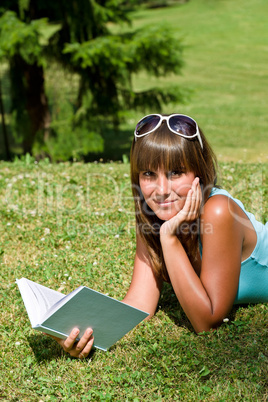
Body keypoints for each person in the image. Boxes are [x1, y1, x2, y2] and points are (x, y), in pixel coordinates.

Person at [49, 113, 268, 358]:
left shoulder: (218, 212)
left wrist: (169, 238)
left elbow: (208, 323)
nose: (162, 191)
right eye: (149, 174)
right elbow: (140, 305)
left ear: (200, 172)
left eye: (176, 172)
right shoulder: (152, 214)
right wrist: (84, 332)